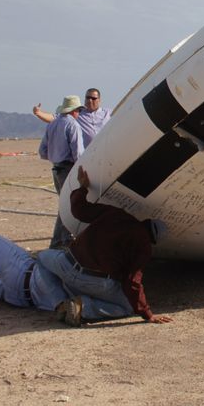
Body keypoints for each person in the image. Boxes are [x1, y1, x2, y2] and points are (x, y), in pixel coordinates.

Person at [36, 166, 173, 326]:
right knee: (127, 307)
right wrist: (147, 313)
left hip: (66, 264)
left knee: (41, 258)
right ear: (153, 240)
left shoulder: (116, 214)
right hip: (95, 282)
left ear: (145, 221)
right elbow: (132, 282)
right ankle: (83, 308)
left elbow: (79, 210)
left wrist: (83, 187)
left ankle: (59, 303)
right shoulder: (143, 247)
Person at [39, 96, 85, 249]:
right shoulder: (73, 125)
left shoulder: (52, 125)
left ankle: (61, 240)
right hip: (67, 168)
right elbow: (78, 152)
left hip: (56, 168)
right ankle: (61, 241)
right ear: (74, 111)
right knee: (68, 205)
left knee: (64, 204)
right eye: (78, 110)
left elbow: (42, 151)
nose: (79, 113)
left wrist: (55, 156)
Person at [34, 88, 111, 148]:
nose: (90, 100)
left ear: (99, 100)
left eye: (93, 98)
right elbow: (54, 118)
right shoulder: (77, 113)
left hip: (105, 152)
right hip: (86, 156)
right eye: (88, 98)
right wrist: (38, 113)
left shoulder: (108, 113)